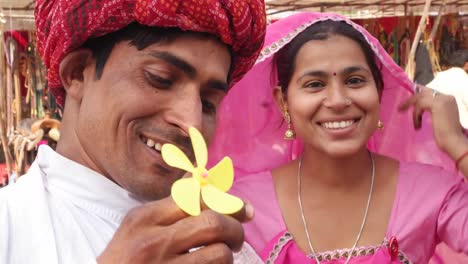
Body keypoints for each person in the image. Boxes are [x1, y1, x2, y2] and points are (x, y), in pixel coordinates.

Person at [0, 0, 266, 263]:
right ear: (77, 73)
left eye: (208, 103)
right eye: (159, 79)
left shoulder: (216, 242)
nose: (191, 122)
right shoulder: (9, 226)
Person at [208, 12, 468, 263]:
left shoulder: (431, 193)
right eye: (315, 84)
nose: (338, 101)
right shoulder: (240, 206)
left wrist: (457, 145)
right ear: (283, 101)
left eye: (355, 81)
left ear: (379, 91)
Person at [426, 49, 468, 128]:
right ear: (466, 65)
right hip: (460, 131)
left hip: (437, 128)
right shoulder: (464, 79)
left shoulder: (439, 77)